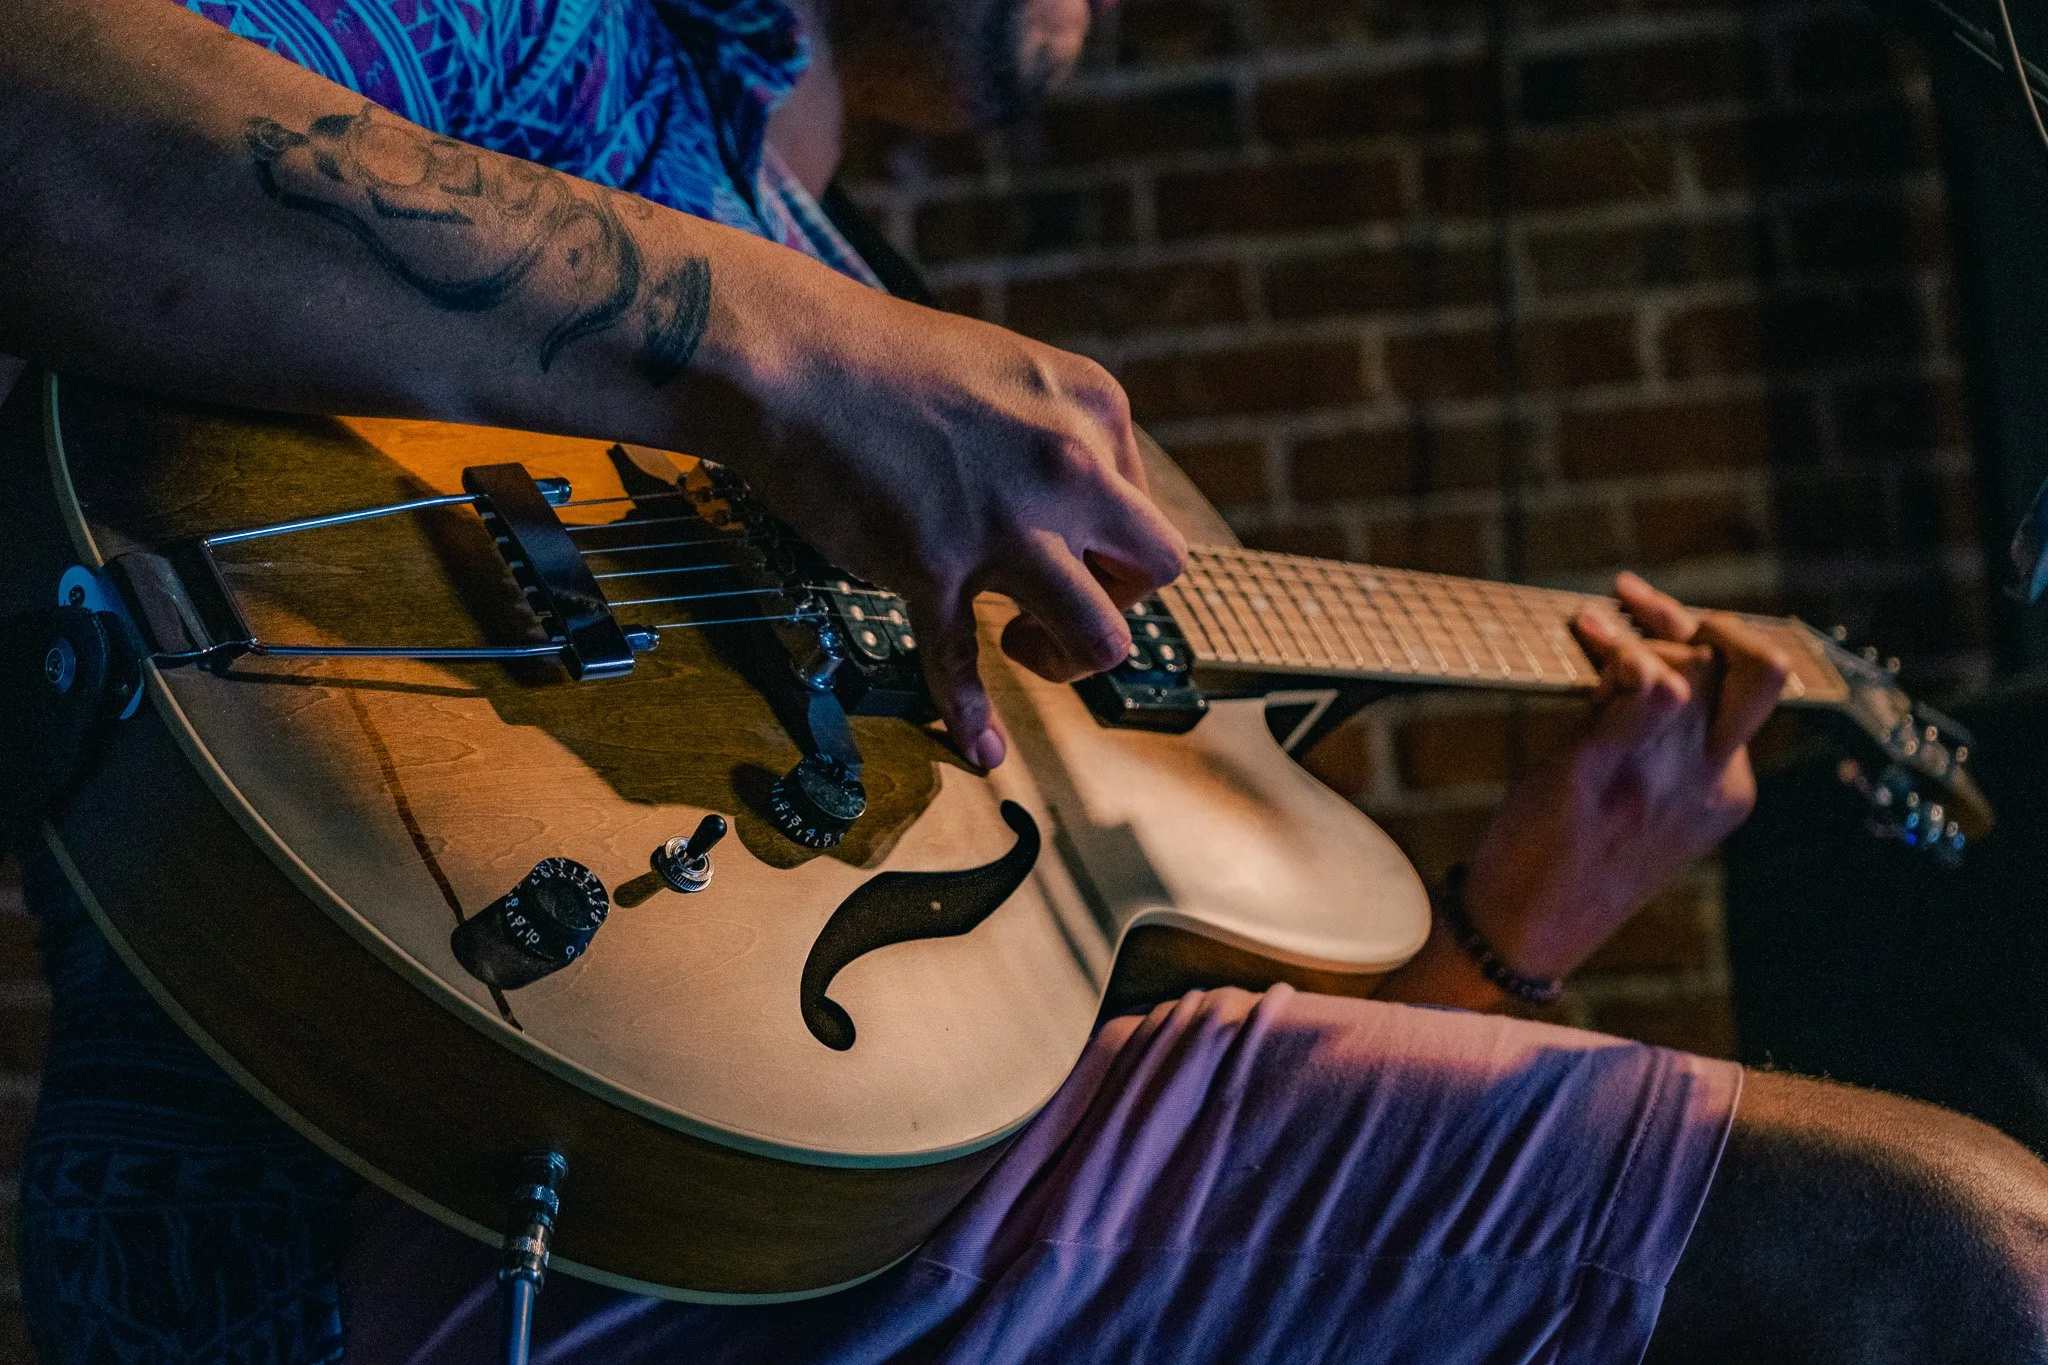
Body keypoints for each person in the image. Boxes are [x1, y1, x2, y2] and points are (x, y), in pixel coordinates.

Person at [2, 0, 2045, 1360]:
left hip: (818, 1230)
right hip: (420, 1228)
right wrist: (788, 347)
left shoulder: (889, 328)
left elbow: (1076, 1134)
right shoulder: (545, 42)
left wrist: (1525, 917)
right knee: (1953, 1258)